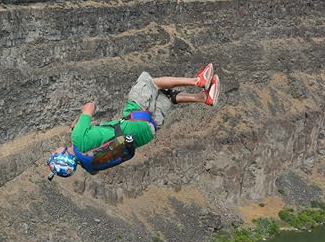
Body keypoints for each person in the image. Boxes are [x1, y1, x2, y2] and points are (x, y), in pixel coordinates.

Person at [47, 64, 220, 178]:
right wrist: (79, 119)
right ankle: (198, 81)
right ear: (62, 154)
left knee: (167, 97)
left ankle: (203, 98)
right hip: (133, 122)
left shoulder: (91, 168)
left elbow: (102, 151)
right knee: (151, 83)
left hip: (145, 134)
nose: (54, 149)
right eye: (55, 152)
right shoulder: (77, 137)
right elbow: (90, 106)